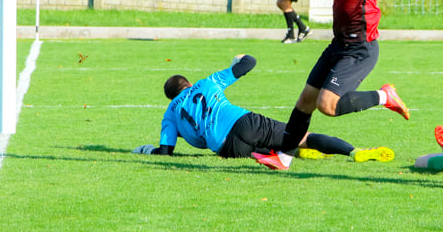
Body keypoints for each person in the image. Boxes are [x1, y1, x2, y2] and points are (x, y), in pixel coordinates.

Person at [253, 0, 419, 171]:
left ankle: (384, 97)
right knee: (305, 100)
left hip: (360, 48)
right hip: (338, 44)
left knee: (327, 106)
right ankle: (284, 158)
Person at [133, 54, 394, 164]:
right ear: (189, 84)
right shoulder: (206, 83)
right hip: (243, 122)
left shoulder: (170, 114)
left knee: (271, 146)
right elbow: (249, 63)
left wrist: (146, 150)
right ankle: (354, 152)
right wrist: (237, 59)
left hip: (226, 150)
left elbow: (166, 151)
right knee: (301, 135)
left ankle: (296, 153)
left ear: (171, 97)